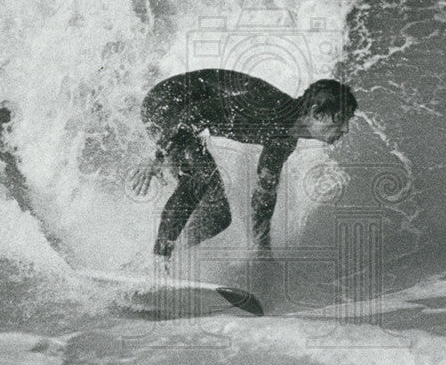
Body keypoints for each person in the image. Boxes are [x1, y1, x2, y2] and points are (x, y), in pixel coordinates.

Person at [130, 69, 357, 261]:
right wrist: (158, 155)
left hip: (182, 119)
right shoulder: (269, 109)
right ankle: (159, 259)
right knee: (199, 177)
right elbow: (196, 113)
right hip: (168, 102)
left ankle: (159, 256)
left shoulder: (284, 141)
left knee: (218, 216)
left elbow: (264, 193)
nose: (346, 129)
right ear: (316, 113)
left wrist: (261, 246)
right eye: (341, 118)